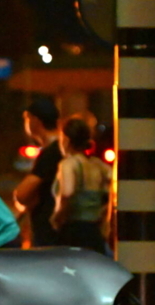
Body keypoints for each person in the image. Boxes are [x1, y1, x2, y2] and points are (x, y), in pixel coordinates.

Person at [49, 115, 112, 255]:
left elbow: (67, 192)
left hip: (73, 232)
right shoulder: (98, 165)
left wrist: (56, 216)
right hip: (95, 232)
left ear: (66, 140)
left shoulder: (68, 164)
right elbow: (116, 186)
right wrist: (104, 211)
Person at [13, 97, 63, 247]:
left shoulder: (51, 153)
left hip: (49, 231)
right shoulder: (61, 148)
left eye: (27, 118)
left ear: (35, 120)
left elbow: (22, 194)